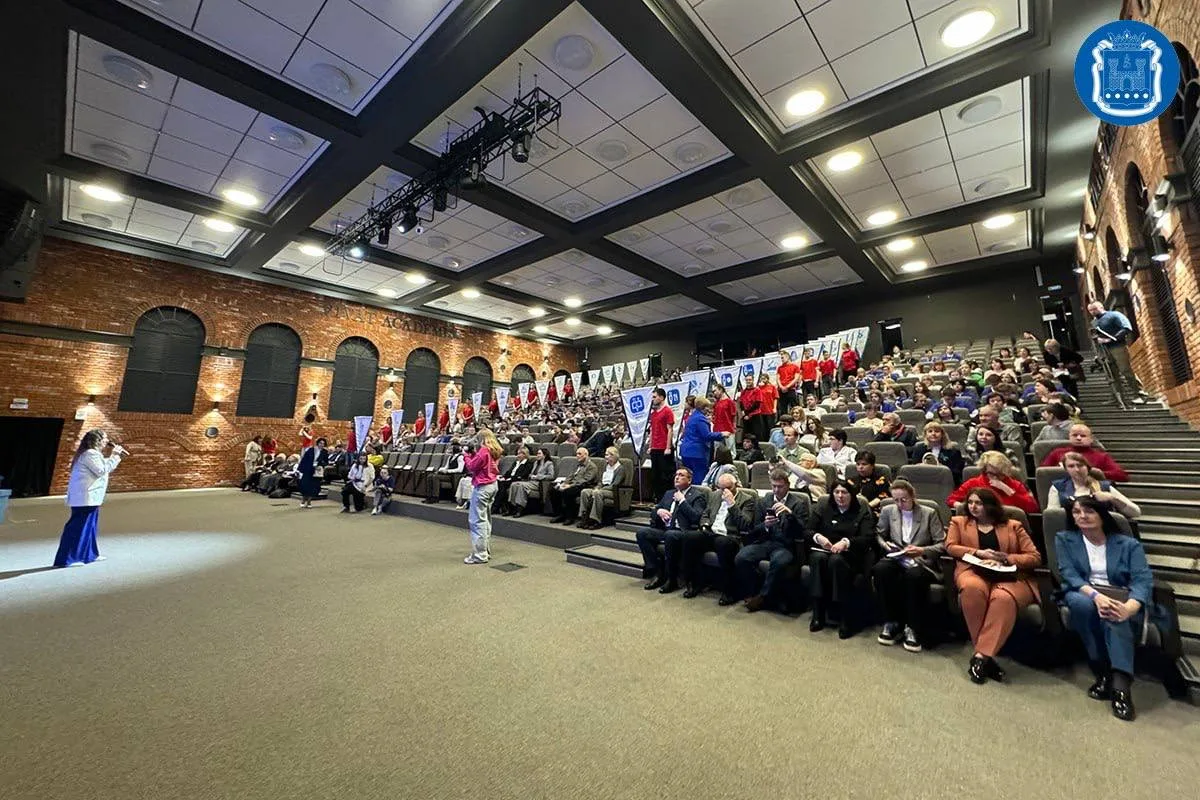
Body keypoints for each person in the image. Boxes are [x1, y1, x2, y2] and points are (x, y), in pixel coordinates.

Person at [1055, 496, 1158, 721]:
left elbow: (1142, 580)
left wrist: (1130, 607)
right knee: (1084, 605)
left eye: (1089, 511)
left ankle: (1120, 687)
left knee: (1115, 614)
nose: (1082, 516)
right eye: (1077, 512)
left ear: (1102, 515)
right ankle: (1101, 670)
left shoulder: (1128, 544)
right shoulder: (1065, 539)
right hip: (1083, 591)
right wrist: (1096, 596)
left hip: (1120, 595)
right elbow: (1069, 574)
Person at [946, 487, 1042, 684]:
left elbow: (1034, 557)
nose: (973, 507)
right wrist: (978, 553)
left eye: (978, 503)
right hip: (973, 570)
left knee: (1002, 598)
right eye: (970, 502)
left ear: (990, 505)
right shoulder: (959, 522)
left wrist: (1006, 558)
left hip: (1010, 576)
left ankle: (981, 656)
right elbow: (950, 546)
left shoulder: (1014, 526)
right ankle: (986, 658)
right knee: (972, 589)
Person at [872, 480, 946, 652]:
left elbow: (942, 544)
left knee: (913, 576)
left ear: (913, 496)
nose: (900, 504)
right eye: (896, 500)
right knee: (881, 570)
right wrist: (886, 545)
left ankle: (912, 626)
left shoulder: (929, 513)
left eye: (903, 500)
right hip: (898, 557)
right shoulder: (888, 511)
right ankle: (891, 621)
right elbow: (879, 535)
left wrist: (922, 550)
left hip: (921, 561)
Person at [807, 479, 874, 637]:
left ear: (851, 495)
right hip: (825, 551)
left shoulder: (861, 511)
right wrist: (818, 537)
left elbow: (868, 538)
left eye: (844, 492)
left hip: (850, 556)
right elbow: (807, 530)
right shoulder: (823, 508)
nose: (840, 496)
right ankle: (818, 613)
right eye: (836, 492)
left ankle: (845, 617)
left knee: (836, 561)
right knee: (817, 558)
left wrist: (846, 543)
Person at [736, 469, 806, 613]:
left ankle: (763, 597)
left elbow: (802, 531)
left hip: (786, 545)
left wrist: (790, 515)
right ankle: (754, 591)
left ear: (787, 485)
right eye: (773, 486)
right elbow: (754, 529)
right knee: (742, 557)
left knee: (778, 562)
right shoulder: (764, 501)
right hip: (766, 542)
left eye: (780, 486)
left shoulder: (798, 503)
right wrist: (765, 525)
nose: (776, 490)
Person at [54, 429, 126, 567]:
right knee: (78, 528)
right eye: (104, 438)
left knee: (90, 528)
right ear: (97, 440)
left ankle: (90, 555)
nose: (107, 441)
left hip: (90, 498)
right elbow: (101, 470)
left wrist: (114, 457)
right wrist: (115, 455)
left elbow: (102, 465)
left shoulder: (92, 454)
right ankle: (66, 559)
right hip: (85, 498)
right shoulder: (90, 454)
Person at [682, 472, 757, 603]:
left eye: (729, 488)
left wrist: (732, 504)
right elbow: (705, 514)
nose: (725, 492)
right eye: (721, 488)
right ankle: (695, 583)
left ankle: (729, 591)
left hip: (730, 536)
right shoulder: (715, 495)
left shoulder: (747, 499)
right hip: (711, 532)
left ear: (736, 485)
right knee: (690, 537)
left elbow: (745, 524)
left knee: (723, 543)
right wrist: (704, 525)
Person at [637, 467, 707, 594]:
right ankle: (657, 572)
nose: (677, 477)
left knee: (670, 535)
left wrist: (682, 501)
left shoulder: (697, 496)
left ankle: (672, 578)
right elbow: (654, 510)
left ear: (689, 480)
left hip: (684, 532)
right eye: (676, 475)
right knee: (642, 533)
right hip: (665, 529)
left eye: (681, 475)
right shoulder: (669, 493)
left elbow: (696, 517)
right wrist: (659, 511)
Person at [1047, 451, 1141, 518]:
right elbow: (1052, 517)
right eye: (1071, 466)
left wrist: (1113, 498)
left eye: (1080, 465)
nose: (1077, 469)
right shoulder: (1058, 487)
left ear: (1087, 467)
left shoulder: (1104, 486)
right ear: (1066, 469)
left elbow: (1136, 513)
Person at [1087, 300, 1147, 403]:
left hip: (1118, 346)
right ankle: (1117, 397)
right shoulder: (1094, 322)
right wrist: (1097, 353)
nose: (1093, 312)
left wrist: (1110, 339)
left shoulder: (1114, 315)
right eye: (1090, 310)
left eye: (1094, 309)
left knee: (1125, 370)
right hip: (1104, 350)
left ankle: (1140, 394)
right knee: (1111, 373)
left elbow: (1126, 328)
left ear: (1101, 307)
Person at [946, 451, 1039, 514]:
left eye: (999, 474)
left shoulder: (1015, 484)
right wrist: (963, 507)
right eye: (991, 473)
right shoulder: (973, 483)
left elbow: (1033, 508)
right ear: (984, 471)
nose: (995, 477)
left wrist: (1008, 491)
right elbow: (951, 500)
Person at [462, 430, 502, 564]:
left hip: (483, 487)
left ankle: (480, 555)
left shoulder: (484, 450)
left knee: (477, 521)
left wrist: (466, 456)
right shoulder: (495, 450)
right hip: (493, 485)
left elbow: (472, 466)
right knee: (485, 520)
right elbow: (482, 464)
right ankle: (485, 551)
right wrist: (473, 454)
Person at [1041, 424, 1129, 482]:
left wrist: (1094, 473)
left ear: (1091, 439)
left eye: (1083, 436)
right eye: (1075, 435)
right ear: (1069, 437)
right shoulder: (1057, 453)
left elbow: (1122, 476)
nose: (1078, 438)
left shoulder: (1101, 456)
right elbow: (1042, 473)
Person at [577, 447, 626, 530]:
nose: (605, 457)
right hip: (602, 488)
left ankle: (596, 520)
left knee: (597, 493)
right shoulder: (605, 467)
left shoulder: (620, 469)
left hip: (613, 492)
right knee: (585, 492)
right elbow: (600, 481)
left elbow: (615, 485)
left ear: (613, 456)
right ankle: (584, 517)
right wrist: (597, 487)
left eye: (607, 455)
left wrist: (600, 490)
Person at [548, 447, 599, 524]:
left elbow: (586, 480)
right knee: (553, 490)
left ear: (586, 455)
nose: (577, 456)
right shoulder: (578, 465)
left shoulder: (591, 466)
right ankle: (560, 514)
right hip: (574, 485)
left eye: (579, 454)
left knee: (568, 492)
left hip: (584, 486)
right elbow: (571, 476)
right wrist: (564, 483)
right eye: (576, 454)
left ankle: (570, 517)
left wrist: (570, 486)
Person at [679, 396, 725, 479]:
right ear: (704, 407)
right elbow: (706, 435)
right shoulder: (700, 419)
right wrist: (721, 434)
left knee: (688, 478)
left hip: (686, 452)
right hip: (697, 453)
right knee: (699, 478)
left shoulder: (692, 417)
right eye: (708, 407)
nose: (709, 410)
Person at [509, 447, 556, 517]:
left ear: (544, 455)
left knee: (521, 485)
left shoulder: (549, 463)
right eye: (537, 454)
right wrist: (531, 476)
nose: (537, 455)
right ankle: (513, 506)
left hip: (539, 483)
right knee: (514, 484)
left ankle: (520, 509)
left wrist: (538, 477)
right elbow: (531, 473)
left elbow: (551, 476)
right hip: (531, 481)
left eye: (539, 454)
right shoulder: (536, 463)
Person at [647, 387, 676, 501]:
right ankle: (658, 498)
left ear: (661, 397)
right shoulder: (653, 413)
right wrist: (650, 446)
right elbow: (652, 430)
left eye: (655, 397)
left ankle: (667, 498)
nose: (653, 399)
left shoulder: (667, 411)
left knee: (666, 476)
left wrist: (668, 447)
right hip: (655, 447)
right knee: (655, 475)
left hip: (664, 447)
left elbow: (670, 430)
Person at [496, 445, 535, 515]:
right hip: (510, 479)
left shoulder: (528, 463)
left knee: (502, 485)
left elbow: (524, 475)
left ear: (525, 455)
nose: (518, 455)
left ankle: (503, 507)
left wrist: (510, 479)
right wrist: (503, 477)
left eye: (520, 454)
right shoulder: (516, 462)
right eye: (518, 454)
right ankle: (502, 507)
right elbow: (509, 472)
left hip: (518, 479)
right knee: (498, 482)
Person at [296, 437, 329, 509]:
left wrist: (321, 464)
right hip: (308, 470)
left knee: (313, 487)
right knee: (305, 485)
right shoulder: (311, 450)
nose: (322, 445)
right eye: (320, 443)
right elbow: (304, 460)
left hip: (317, 471)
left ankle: (309, 501)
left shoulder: (325, 452)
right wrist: (300, 469)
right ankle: (303, 500)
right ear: (317, 443)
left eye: (323, 444)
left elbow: (326, 462)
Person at [711, 385, 737, 452]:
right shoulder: (716, 403)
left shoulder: (729, 402)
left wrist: (734, 427)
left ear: (721, 390)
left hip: (728, 429)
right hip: (717, 430)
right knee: (717, 450)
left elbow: (734, 416)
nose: (714, 393)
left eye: (715, 391)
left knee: (730, 451)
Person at [756, 373, 778, 438]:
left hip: (770, 410)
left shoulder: (772, 387)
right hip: (761, 410)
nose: (763, 380)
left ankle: (772, 438)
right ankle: (764, 439)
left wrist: (774, 408)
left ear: (767, 379)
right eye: (762, 379)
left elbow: (775, 398)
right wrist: (758, 387)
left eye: (764, 378)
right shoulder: (758, 388)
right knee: (763, 427)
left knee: (770, 426)